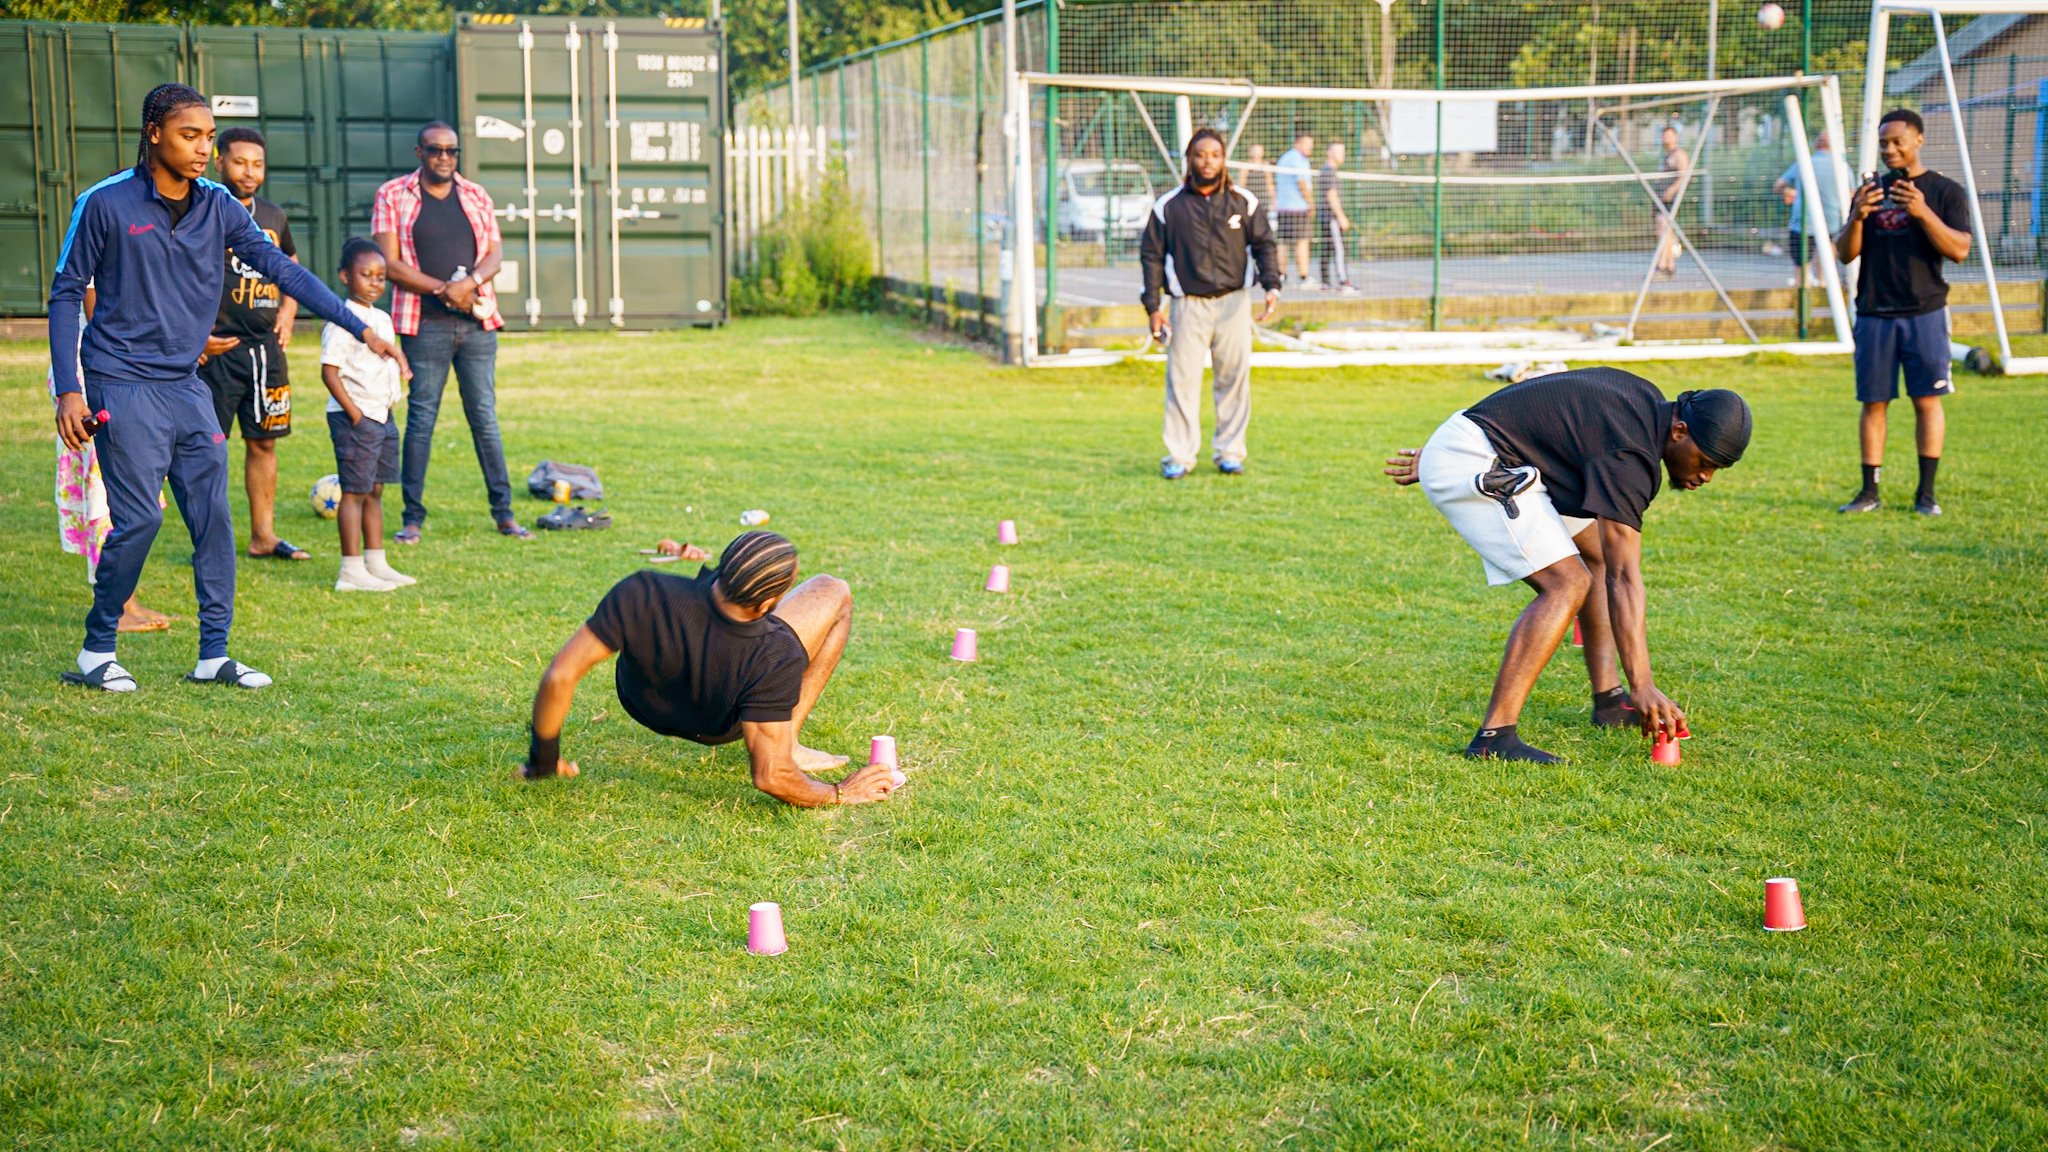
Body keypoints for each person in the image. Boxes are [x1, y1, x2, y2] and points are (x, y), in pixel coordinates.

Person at [48, 83, 405, 693]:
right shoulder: (103, 202)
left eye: (209, 137)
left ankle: (214, 654)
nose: (202, 149)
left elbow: (284, 270)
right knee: (138, 523)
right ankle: (95, 650)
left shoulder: (218, 205)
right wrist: (69, 391)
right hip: (119, 380)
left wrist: (361, 328)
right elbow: (63, 292)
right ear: (154, 133)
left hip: (186, 385)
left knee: (213, 518)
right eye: (190, 135)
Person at [1383, 368, 1752, 762]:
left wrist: (1459, 441)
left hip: (1487, 449)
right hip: (1478, 457)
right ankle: (1494, 737)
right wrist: (1643, 684)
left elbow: (1547, 397)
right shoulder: (1631, 456)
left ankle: (1609, 702)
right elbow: (1625, 578)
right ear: (1679, 431)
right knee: (1568, 582)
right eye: (1706, 461)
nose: (1707, 476)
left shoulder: (1644, 400)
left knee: (1594, 556)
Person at [519, 531, 903, 808]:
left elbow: (561, 675)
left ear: (723, 565)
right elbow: (771, 775)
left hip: (640, 701)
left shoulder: (643, 591)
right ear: (770, 601)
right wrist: (840, 792)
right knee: (833, 589)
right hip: (722, 726)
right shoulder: (775, 652)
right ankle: (789, 742)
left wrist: (544, 760)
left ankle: (787, 741)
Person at [371, 121, 528, 543]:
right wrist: (445, 290)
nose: (444, 157)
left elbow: (495, 253)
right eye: (435, 150)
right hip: (423, 325)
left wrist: (469, 284)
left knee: (485, 419)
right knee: (421, 420)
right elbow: (389, 262)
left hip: (477, 323)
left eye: (451, 151)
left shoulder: (476, 195)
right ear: (418, 152)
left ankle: (505, 514)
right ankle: (412, 519)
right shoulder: (392, 194)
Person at [1832, 108, 1972, 517]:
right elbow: (1845, 253)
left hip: (1924, 313)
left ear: (1918, 140)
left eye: (1897, 141)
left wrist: (1923, 212)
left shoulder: (1945, 192)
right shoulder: (1870, 191)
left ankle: (1925, 495)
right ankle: (1868, 492)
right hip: (1875, 313)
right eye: (1883, 144)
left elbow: (1960, 250)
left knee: (1927, 400)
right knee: (1874, 403)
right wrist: (1857, 215)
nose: (1889, 150)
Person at [1140, 127, 1282, 481]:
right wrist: (1153, 307)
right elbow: (1151, 258)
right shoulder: (1168, 207)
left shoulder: (1243, 202)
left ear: (1223, 159)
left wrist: (1271, 285)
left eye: (1215, 155)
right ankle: (1179, 455)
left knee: (1234, 379)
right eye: (1201, 154)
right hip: (1188, 306)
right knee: (1183, 381)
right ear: (1190, 159)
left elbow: (1265, 245)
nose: (1208, 161)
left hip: (1234, 302)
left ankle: (1230, 452)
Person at [200, 126, 310, 563]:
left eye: (258, 164)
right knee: (207, 446)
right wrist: (195, 338)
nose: (249, 172)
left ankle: (263, 536)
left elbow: (291, 266)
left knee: (265, 442)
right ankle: (210, 543)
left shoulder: (272, 215)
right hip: (216, 351)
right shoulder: (202, 210)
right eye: (240, 162)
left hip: (265, 351)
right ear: (219, 161)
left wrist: (286, 314)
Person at [52, 282, 170, 633]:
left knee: (133, 482)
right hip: (101, 368)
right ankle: (115, 607)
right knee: (108, 489)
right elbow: (98, 313)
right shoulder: (98, 227)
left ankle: (127, 599)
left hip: (125, 366)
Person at [320, 239, 417, 593]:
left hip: (382, 415)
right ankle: (351, 570)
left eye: (381, 277)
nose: (375, 283)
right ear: (346, 276)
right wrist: (355, 414)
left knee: (375, 489)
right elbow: (329, 372)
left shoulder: (382, 318)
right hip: (358, 419)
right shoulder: (341, 320)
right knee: (355, 492)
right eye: (366, 275)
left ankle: (376, 562)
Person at [1772, 130, 1850, 289]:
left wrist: (1790, 191)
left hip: (1803, 222)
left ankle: (1803, 296)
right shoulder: (1842, 167)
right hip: (1831, 222)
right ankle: (1824, 289)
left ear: (1816, 144)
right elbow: (1852, 193)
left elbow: (1778, 185)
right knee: (1827, 266)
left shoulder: (1803, 163)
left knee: (1801, 272)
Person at [1272, 131, 1316, 289]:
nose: (1310, 148)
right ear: (1297, 143)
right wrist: (1311, 203)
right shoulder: (1298, 159)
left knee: (1283, 242)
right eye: (1307, 144)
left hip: (1283, 208)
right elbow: (1302, 183)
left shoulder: (1285, 158)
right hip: (1297, 209)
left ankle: (1281, 275)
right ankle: (1303, 277)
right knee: (1302, 242)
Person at [1317, 141, 1355, 294]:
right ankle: (1344, 282)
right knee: (1339, 249)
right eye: (1340, 151)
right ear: (1330, 153)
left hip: (1327, 217)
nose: (1343, 155)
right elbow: (1331, 195)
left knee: (1327, 249)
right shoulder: (1329, 171)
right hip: (1331, 218)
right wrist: (1341, 217)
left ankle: (1325, 282)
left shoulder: (1327, 170)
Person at [1653, 126, 1690, 278]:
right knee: (1663, 231)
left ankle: (1664, 264)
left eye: (1669, 135)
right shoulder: (1666, 155)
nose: (1665, 138)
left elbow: (1684, 176)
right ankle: (1668, 264)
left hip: (1670, 198)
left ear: (1675, 136)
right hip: (1660, 197)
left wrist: (1671, 190)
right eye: (1664, 135)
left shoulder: (1679, 154)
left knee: (1664, 228)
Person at [1239, 142, 1278, 211]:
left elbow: (1270, 184)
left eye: (1259, 150)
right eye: (1254, 150)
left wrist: (1273, 199)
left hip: (1263, 200)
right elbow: (1242, 184)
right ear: (1250, 152)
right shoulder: (1245, 166)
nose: (1256, 153)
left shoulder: (1266, 165)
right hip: (1250, 199)